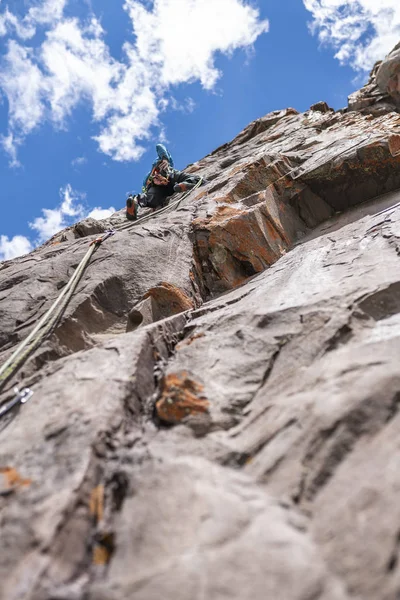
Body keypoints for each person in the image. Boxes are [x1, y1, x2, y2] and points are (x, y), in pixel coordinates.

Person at [126, 143, 204, 221]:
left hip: (155, 185)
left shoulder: (148, 176)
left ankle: (136, 200)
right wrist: (165, 158)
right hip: (166, 173)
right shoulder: (161, 161)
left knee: (152, 199)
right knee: (193, 178)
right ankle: (186, 184)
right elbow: (159, 146)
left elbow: (145, 187)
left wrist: (147, 194)